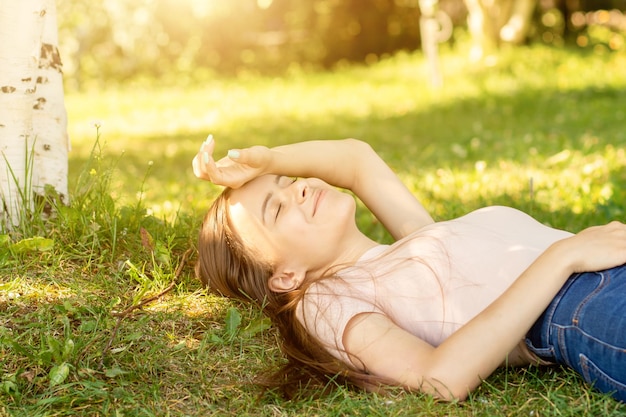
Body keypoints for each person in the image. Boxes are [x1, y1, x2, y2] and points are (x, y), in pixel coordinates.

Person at [192, 135, 626, 402]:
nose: (300, 187)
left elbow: (356, 159)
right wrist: (565, 255)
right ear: (285, 276)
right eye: (277, 208)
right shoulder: (324, 301)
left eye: (289, 182)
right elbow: (439, 379)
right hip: (583, 304)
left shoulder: (417, 240)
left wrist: (267, 161)